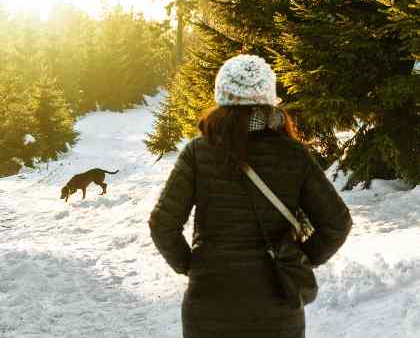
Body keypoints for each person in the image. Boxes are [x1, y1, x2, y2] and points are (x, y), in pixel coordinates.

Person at [149, 54, 352, 338]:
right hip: (277, 309)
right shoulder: (293, 154)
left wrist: (193, 266)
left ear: (222, 96)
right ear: (268, 98)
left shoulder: (198, 152)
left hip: (209, 306)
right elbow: (337, 223)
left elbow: (162, 224)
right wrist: (298, 260)